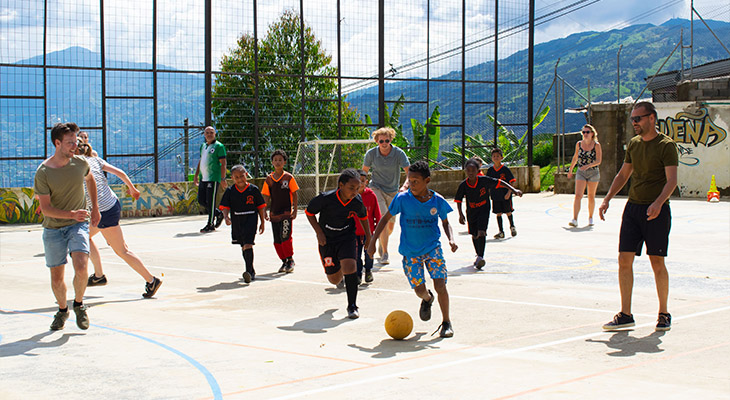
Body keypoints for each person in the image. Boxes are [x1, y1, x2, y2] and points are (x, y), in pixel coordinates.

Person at [598, 101, 678, 332]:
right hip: (633, 209)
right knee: (624, 260)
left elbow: (671, 180)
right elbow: (623, 174)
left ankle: (663, 313)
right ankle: (625, 314)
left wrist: (658, 203)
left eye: (638, 119)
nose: (634, 123)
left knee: (657, 262)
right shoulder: (633, 144)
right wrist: (607, 198)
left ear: (651, 118)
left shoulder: (666, 145)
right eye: (632, 119)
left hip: (657, 211)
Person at [367, 161, 458, 338]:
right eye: (409, 180)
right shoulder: (402, 199)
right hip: (410, 251)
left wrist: (451, 240)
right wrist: (372, 242)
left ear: (427, 180)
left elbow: (446, 223)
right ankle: (427, 299)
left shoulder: (437, 200)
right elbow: (385, 220)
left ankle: (446, 322)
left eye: (416, 181)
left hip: (433, 248)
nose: (412, 184)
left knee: (440, 284)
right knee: (419, 290)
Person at [34, 122, 100, 331]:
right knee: (57, 277)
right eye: (70, 143)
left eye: (77, 142)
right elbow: (46, 209)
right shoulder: (43, 172)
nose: (76, 146)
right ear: (57, 143)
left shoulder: (81, 164)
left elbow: (91, 180)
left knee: (81, 266)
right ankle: (63, 310)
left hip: (77, 225)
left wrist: (95, 208)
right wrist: (71, 213)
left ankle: (79, 305)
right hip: (53, 228)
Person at [77, 142, 163, 298]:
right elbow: (120, 173)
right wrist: (132, 188)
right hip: (113, 204)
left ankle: (151, 280)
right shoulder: (95, 160)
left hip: (104, 212)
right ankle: (98, 275)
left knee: (122, 250)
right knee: (84, 235)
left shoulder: (77, 165)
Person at [306, 169, 370, 319]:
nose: (355, 192)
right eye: (351, 188)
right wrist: (319, 233)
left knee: (350, 267)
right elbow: (309, 213)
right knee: (334, 279)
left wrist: (369, 236)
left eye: (357, 188)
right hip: (327, 239)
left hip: (346, 236)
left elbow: (363, 217)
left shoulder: (356, 201)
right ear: (341, 185)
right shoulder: (325, 199)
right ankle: (340, 270)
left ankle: (352, 306)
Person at [456, 158, 522, 269]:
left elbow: (500, 183)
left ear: (478, 171)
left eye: (473, 170)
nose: (471, 172)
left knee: (481, 232)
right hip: (471, 211)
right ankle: (478, 255)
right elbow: (458, 200)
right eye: (468, 170)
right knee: (474, 234)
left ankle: (481, 257)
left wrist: (514, 190)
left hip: (483, 208)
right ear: (465, 171)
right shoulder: (463, 185)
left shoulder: (484, 180)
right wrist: (460, 214)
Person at [362, 127, 410, 265]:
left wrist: (404, 187)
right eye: (381, 140)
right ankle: (385, 253)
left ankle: (382, 244)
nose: (384, 143)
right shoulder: (371, 154)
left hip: (393, 191)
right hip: (376, 187)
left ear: (391, 140)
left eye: (387, 140)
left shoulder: (398, 153)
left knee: (389, 226)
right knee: (383, 217)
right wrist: (361, 188)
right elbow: (364, 172)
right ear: (377, 141)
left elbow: (409, 172)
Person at [219, 165, 266, 283]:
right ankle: (251, 270)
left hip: (250, 219)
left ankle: (249, 272)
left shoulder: (253, 190)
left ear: (246, 174)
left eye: (242, 176)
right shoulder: (230, 191)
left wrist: (262, 222)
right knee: (243, 245)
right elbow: (225, 206)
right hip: (237, 221)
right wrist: (226, 217)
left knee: (248, 244)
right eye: (237, 177)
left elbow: (261, 207)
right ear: (232, 178)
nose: (240, 179)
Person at [261, 149, 299, 273]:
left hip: (286, 213)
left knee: (285, 237)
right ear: (272, 162)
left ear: (284, 162)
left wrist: (294, 210)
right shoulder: (269, 179)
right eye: (275, 160)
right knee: (277, 240)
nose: (277, 162)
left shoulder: (288, 177)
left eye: (280, 160)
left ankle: (290, 259)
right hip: (274, 213)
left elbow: (294, 193)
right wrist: (264, 210)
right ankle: (284, 261)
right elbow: (266, 196)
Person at [567, 124, 603, 227]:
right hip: (581, 172)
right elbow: (575, 157)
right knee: (578, 195)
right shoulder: (579, 144)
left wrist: (588, 166)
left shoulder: (596, 145)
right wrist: (570, 170)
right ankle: (574, 219)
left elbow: (598, 161)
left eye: (587, 132)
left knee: (591, 196)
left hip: (593, 172)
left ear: (592, 133)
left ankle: (590, 217)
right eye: (583, 132)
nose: (585, 134)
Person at [194, 126, 227, 233]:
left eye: (211, 132)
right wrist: (196, 175)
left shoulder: (219, 146)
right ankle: (218, 214)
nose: (209, 134)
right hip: (203, 178)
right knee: (201, 200)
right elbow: (201, 160)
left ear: (215, 134)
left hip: (213, 178)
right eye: (207, 132)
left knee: (211, 201)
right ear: (204, 134)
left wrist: (223, 178)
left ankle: (210, 224)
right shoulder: (203, 146)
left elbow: (223, 163)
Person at [355, 169, 381, 284]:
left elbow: (377, 215)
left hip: (368, 233)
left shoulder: (371, 195)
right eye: (357, 181)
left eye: (362, 181)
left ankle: (369, 270)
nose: (360, 183)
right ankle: (358, 274)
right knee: (355, 255)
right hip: (353, 233)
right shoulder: (351, 196)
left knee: (369, 253)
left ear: (366, 182)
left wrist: (375, 232)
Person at [487, 148, 517, 239]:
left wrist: (509, 192)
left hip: (505, 194)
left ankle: (512, 227)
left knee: (508, 211)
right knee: (498, 213)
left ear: (501, 157)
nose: (496, 158)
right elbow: (487, 182)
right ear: (491, 158)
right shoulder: (490, 170)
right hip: (495, 195)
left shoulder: (505, 169)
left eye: (497, 156)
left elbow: (511, 182)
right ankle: (501, 231)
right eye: (494, 156)